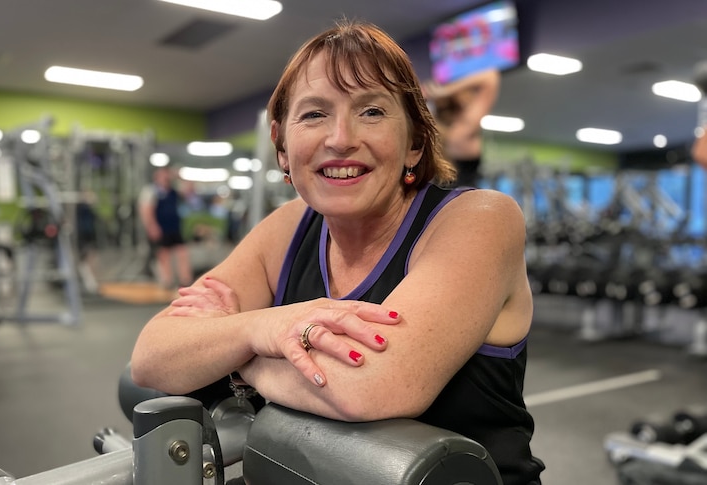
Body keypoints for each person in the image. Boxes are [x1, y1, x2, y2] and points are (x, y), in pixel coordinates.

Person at [130, 19, 543, 485]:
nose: (341, 138)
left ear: (414, 143)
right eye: (313, 114)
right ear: (282, 148)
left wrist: (234, 351)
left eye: (371, 111)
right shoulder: (287, 229)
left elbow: (371, 385)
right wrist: (266, 326)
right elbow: (152, 356)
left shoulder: (480, 219)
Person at [421, 67, 500, 187]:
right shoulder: (459, 134)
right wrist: (446, 90)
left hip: (447, 202)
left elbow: (490, 76)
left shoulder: (448, 135)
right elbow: (491, 77)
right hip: (464, 202)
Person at [137, 167, 193, 289]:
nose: (166, 178)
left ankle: (185, 280)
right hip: (161, 227)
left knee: (182, 252)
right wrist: (152, 226)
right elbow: (146, 210)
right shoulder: (152, 191)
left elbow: (189, 191)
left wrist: (180, 177)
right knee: (164, 254)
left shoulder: (173, 191)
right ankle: (167, 280)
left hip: (174, 227)